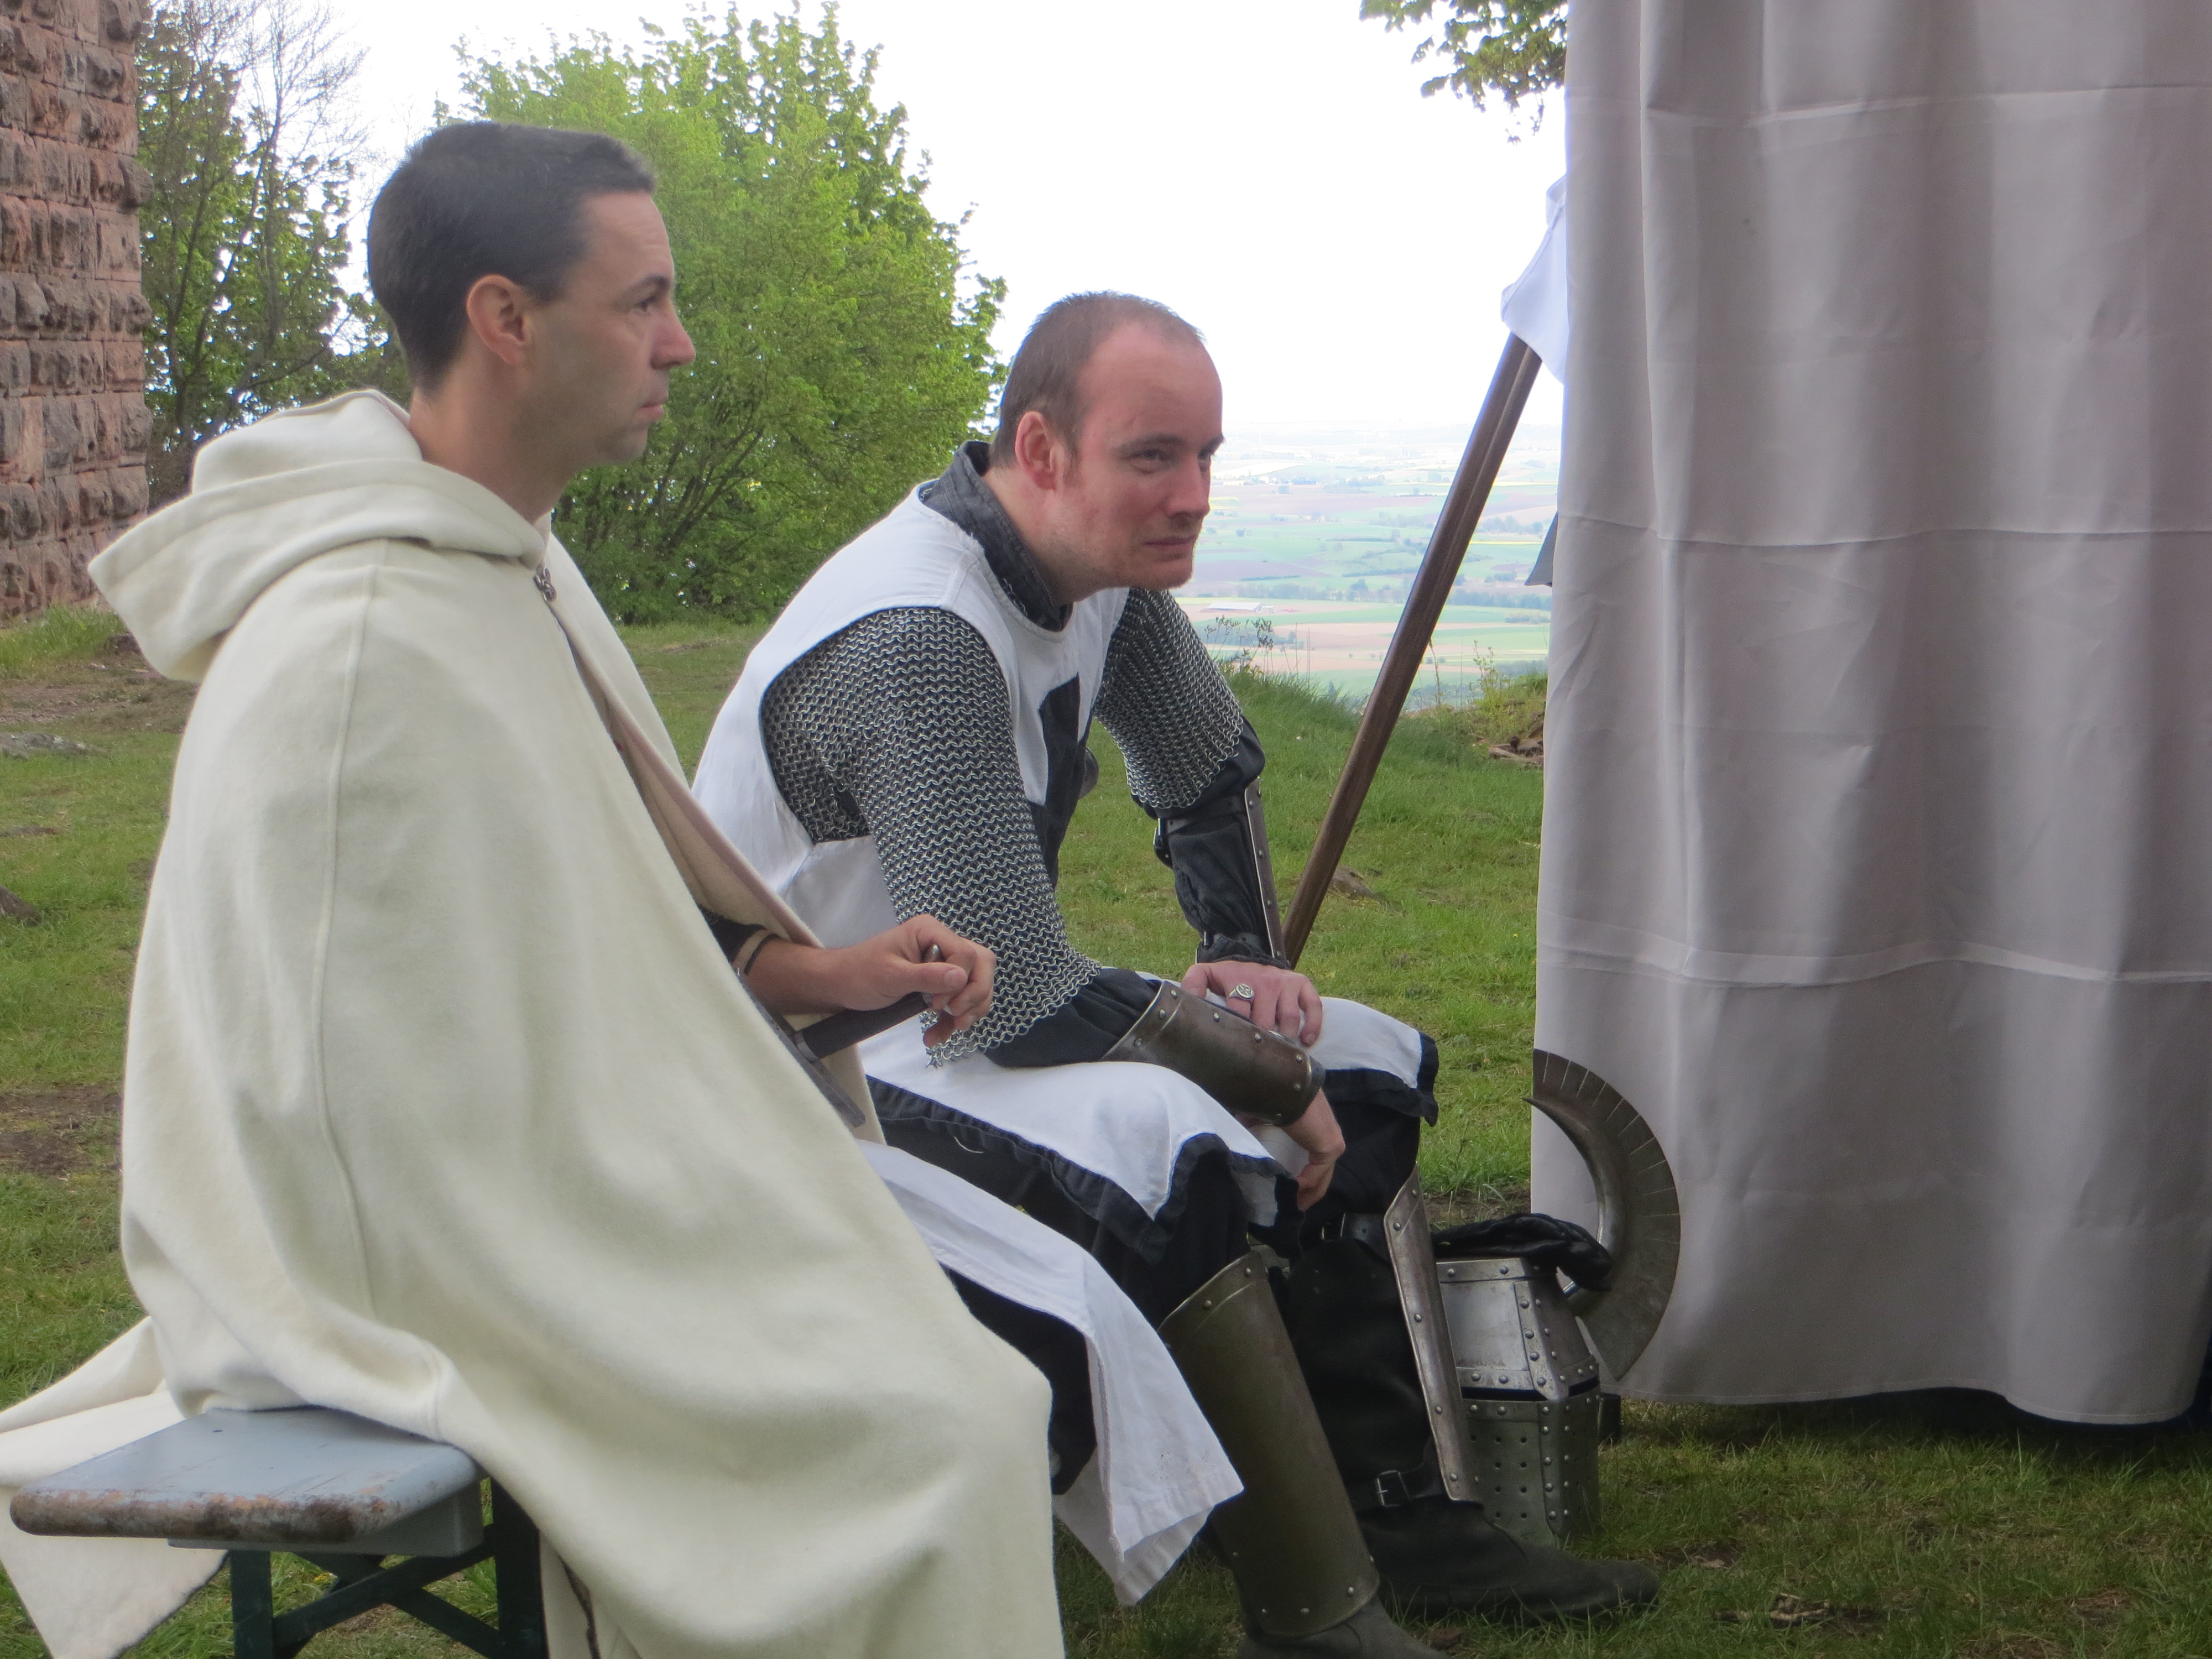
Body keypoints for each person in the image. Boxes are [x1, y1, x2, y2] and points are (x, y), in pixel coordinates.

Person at [0, 123, 1089, 1659]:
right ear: (506, 319)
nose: (680, 343)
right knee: (939, 1433)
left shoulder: (501, 563)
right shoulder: (359, 646)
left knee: (966, 1387)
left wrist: (813, 977)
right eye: (641, 302)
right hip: (415, 1253)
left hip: (551, 1173)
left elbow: (574, 922)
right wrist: (666, 1197)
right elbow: (334, 1108)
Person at [693, 293, 1663, 1656]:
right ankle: (1309, 1610)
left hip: (955, 1019)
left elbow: (1207, 771)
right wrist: (1257, 1073)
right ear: (1042, 451)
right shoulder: (915, 634)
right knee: (1165, 1134)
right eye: (1152, 455)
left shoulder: (1099, 574)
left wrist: (1244, 963)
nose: (1192, 494)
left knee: (1364, 1063)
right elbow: (1020, 998)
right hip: (820, 1065)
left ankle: (1397, 1512)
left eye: (1206, 454)